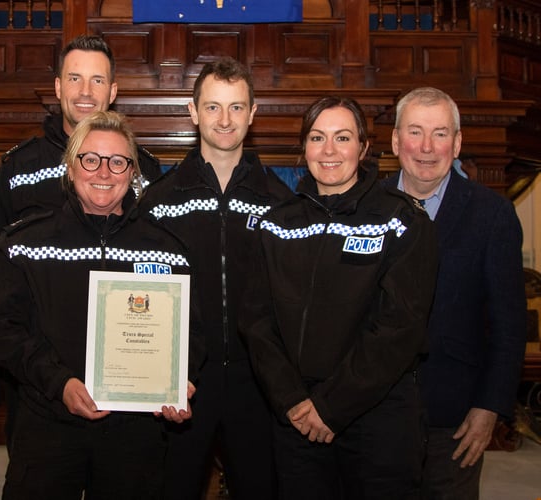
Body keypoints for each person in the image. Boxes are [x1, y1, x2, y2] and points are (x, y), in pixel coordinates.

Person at [0, 110, 204, 499]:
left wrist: (175, 384)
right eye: (91, 159)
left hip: (134, 438)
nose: (104, 172)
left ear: (132, 172)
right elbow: (1, 329)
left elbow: (194, 334)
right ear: (70, 167)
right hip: (47, 427)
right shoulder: (22, 243)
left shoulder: (168, 249)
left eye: (118, 162)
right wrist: (59, 382)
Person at [240, 96, 439, 499]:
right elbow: (257, 321)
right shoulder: (275, 225)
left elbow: (398, 327)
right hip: (297, 419)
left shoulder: (401, 221)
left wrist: (331, 408)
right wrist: (293, 400)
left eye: (342, 137)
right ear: (304, 147)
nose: (329, 151)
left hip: (376, 420)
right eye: (317, 138)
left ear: (364, 148)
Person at [139, 57, 291, 500]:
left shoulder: (281, 203)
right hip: (185, 383)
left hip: (258, 384)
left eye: (237, 107)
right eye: (213, 107)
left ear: (253, 113)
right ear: (192, 111)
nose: (225, 120)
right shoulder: (159, 201)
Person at [385, 87, 527, 499]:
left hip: (455, 415)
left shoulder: (493, 215)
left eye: (441, 133)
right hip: (373, 413)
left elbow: (509, 324)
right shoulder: (364, 206)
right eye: (415, 132)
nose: (427, 148)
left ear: (458, 142)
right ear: (395, 141)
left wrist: (490, 408)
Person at [0, 33, 161, 247]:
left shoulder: (143, 168)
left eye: (97, 80)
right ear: (58, 87)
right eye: (75, 79)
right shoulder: (19, 167)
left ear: (112, 92)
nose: (85, 92)